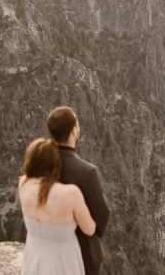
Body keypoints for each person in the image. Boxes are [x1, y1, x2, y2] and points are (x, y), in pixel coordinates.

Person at [46, 106, 111, 275]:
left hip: (49, 247)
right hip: (82, 252)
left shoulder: (41, 166)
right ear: (74, 130)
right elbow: (102, 214)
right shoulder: (87, 172)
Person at [19, 138, 96, 275]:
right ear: (55, 164)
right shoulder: (70, 193)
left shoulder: (23, 184)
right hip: (64, 262)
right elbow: (89, 229)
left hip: (33, 257)